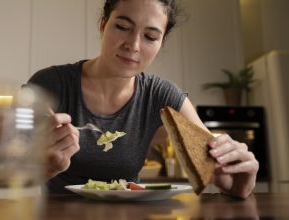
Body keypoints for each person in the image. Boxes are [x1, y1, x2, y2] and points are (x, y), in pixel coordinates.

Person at [26, 0, 259, 198]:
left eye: (150, 36)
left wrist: (235, 182)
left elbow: (212, 165)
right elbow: (6, 165)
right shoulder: (50, 84)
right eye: (122, 26)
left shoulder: (162, 94)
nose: (133, 45)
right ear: (103, 25)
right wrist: (43, 166)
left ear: (160, 44)